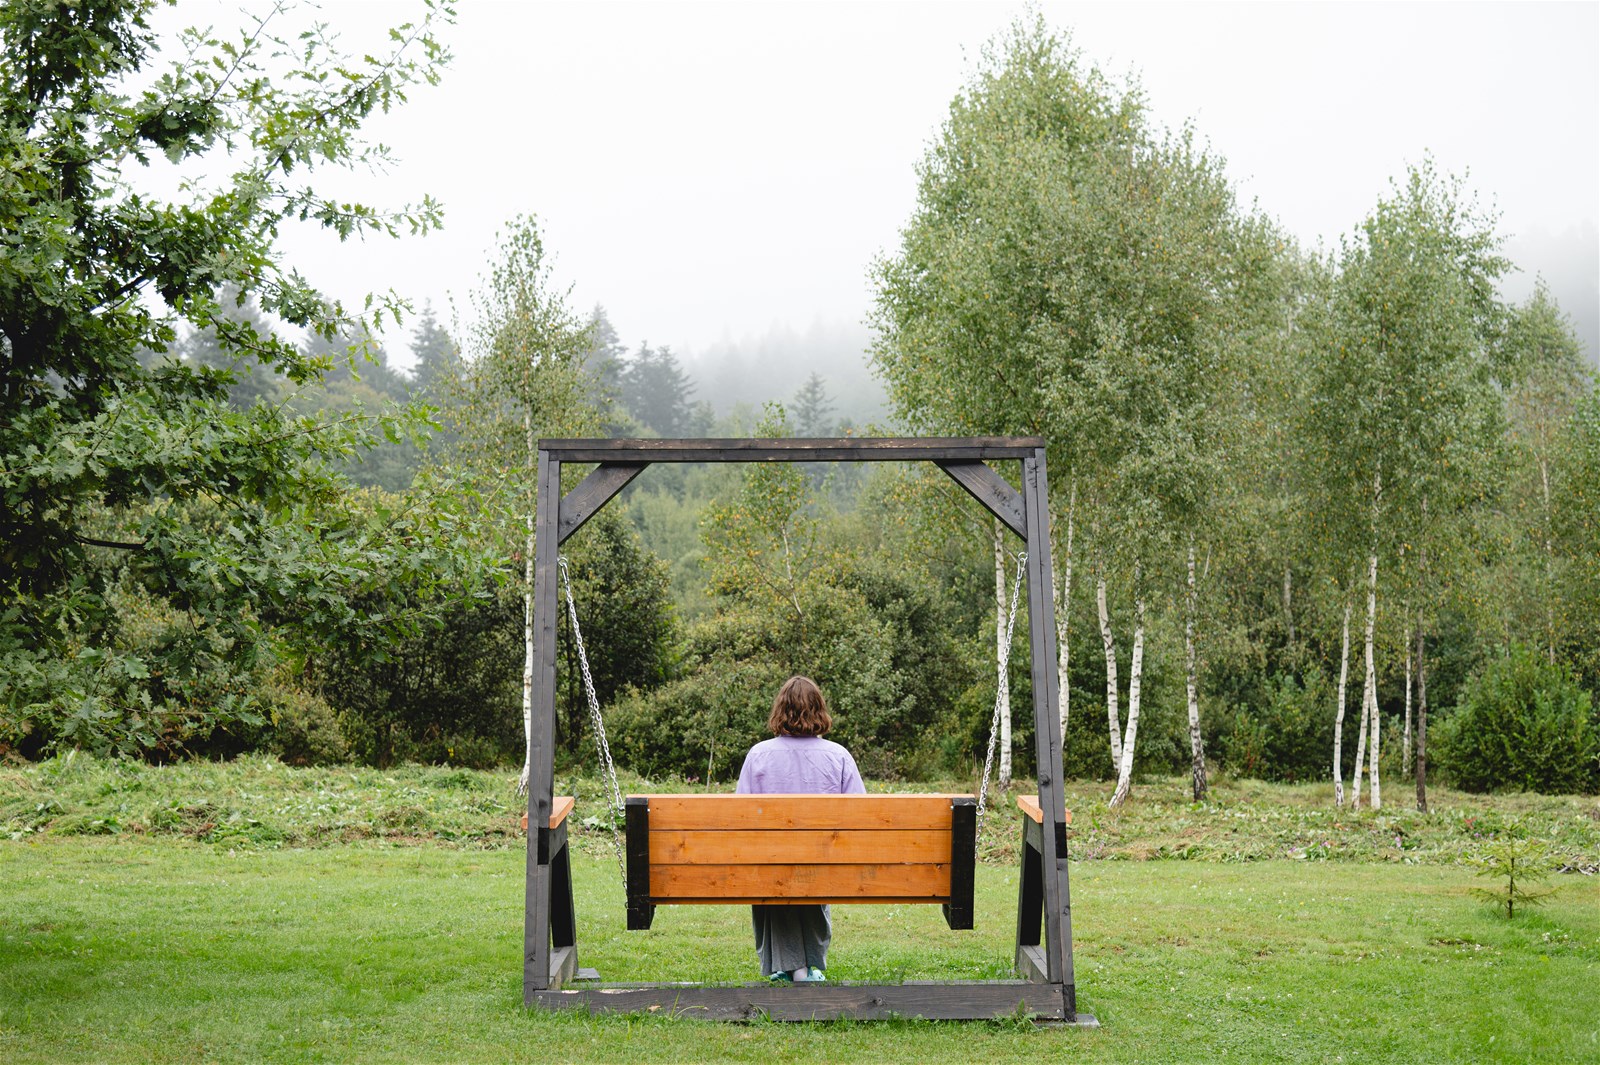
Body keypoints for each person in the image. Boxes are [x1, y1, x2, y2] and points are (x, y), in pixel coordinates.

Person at [735, 675, 865, 984]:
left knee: (775, 878)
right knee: (812, 875)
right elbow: (862, 817)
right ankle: (812, 966)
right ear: (819, 711)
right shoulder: (839, 756)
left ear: (780, 710)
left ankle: (789, 967)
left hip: (771, 863)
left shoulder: (759, 755)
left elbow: (738, 818)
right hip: (824, 863)